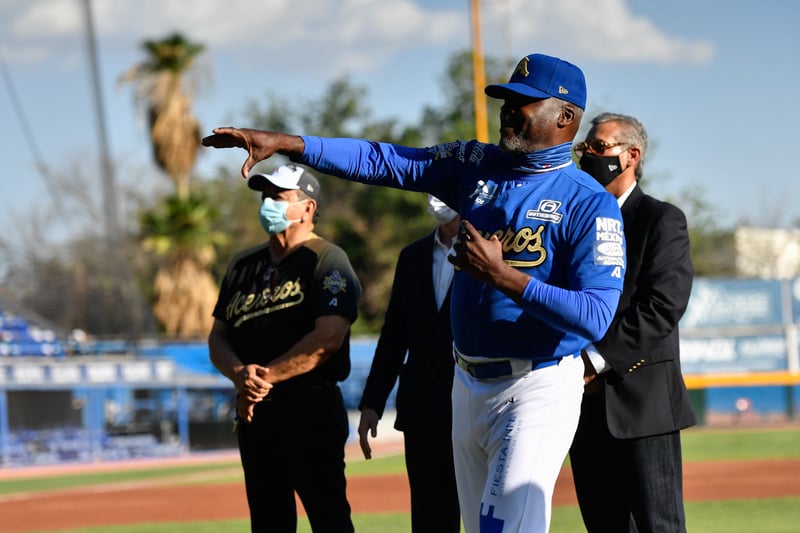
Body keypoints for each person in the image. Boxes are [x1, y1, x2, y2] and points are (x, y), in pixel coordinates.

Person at [202, 52, 626, 533]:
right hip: (466, 384)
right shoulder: (476, 164)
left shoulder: (589, 204)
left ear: (565, 117)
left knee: (503, 528)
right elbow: (385, 161)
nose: (509, 109)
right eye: (507, 99)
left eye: (524, 102)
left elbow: (596, 315)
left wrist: (504, 276)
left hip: (537, 385)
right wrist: (285, 144)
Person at [207, 164, 361, 533]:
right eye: (265, 197)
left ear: (307, 207)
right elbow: (218, 337)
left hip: (310, 408)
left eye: (278, 197)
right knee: (268, 522)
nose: (267, 204)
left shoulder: (327, 259)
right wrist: (241, 375)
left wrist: (263, 379)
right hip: (256, 414)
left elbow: (329, 337)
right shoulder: (243, 265)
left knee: (329, 519)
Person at [569, 112, 696, 532]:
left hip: (644, 408)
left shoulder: (662, 220)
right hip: (582, 410)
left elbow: (662, 305)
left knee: (658, 526)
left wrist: (593, 361)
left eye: (600, 148)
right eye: (586, 148)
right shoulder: (574, 221)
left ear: (632, 156)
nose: (589, 155)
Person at [357, 194, 462, 533]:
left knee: (481, 514)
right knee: (430, 517)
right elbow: (393, 336)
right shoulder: (412, 256)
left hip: (474, 403)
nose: (436, 196)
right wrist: (373, 401)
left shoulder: (493, 248)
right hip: (422, 411)